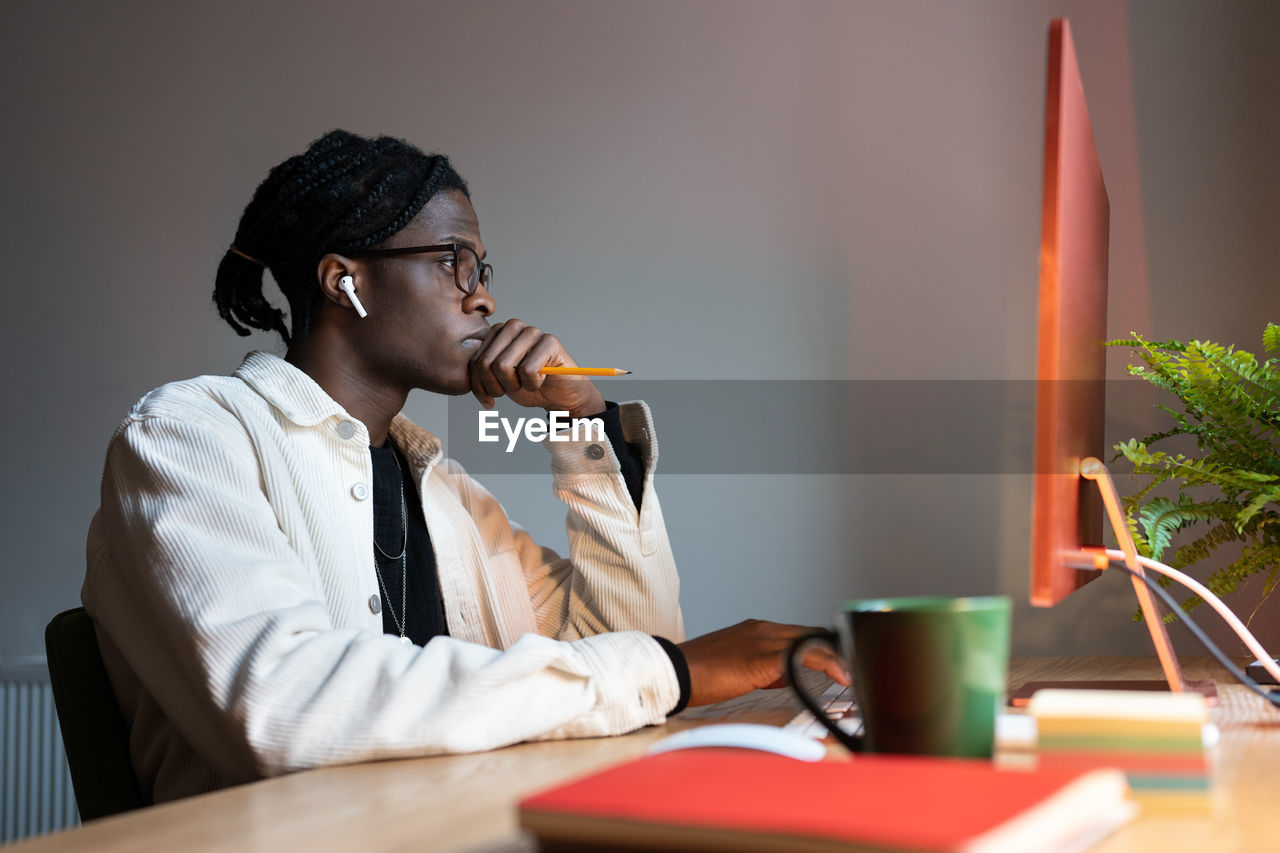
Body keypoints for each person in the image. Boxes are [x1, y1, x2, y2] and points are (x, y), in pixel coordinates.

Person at [83, 129, 846, 803]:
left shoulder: (445, 492)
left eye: (483, 269)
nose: (484, 300)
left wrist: (582, 424)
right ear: (343, 279)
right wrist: (669, 670)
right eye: (456, 262)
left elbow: (636, 651)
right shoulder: (190, 435)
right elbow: (285, 709)